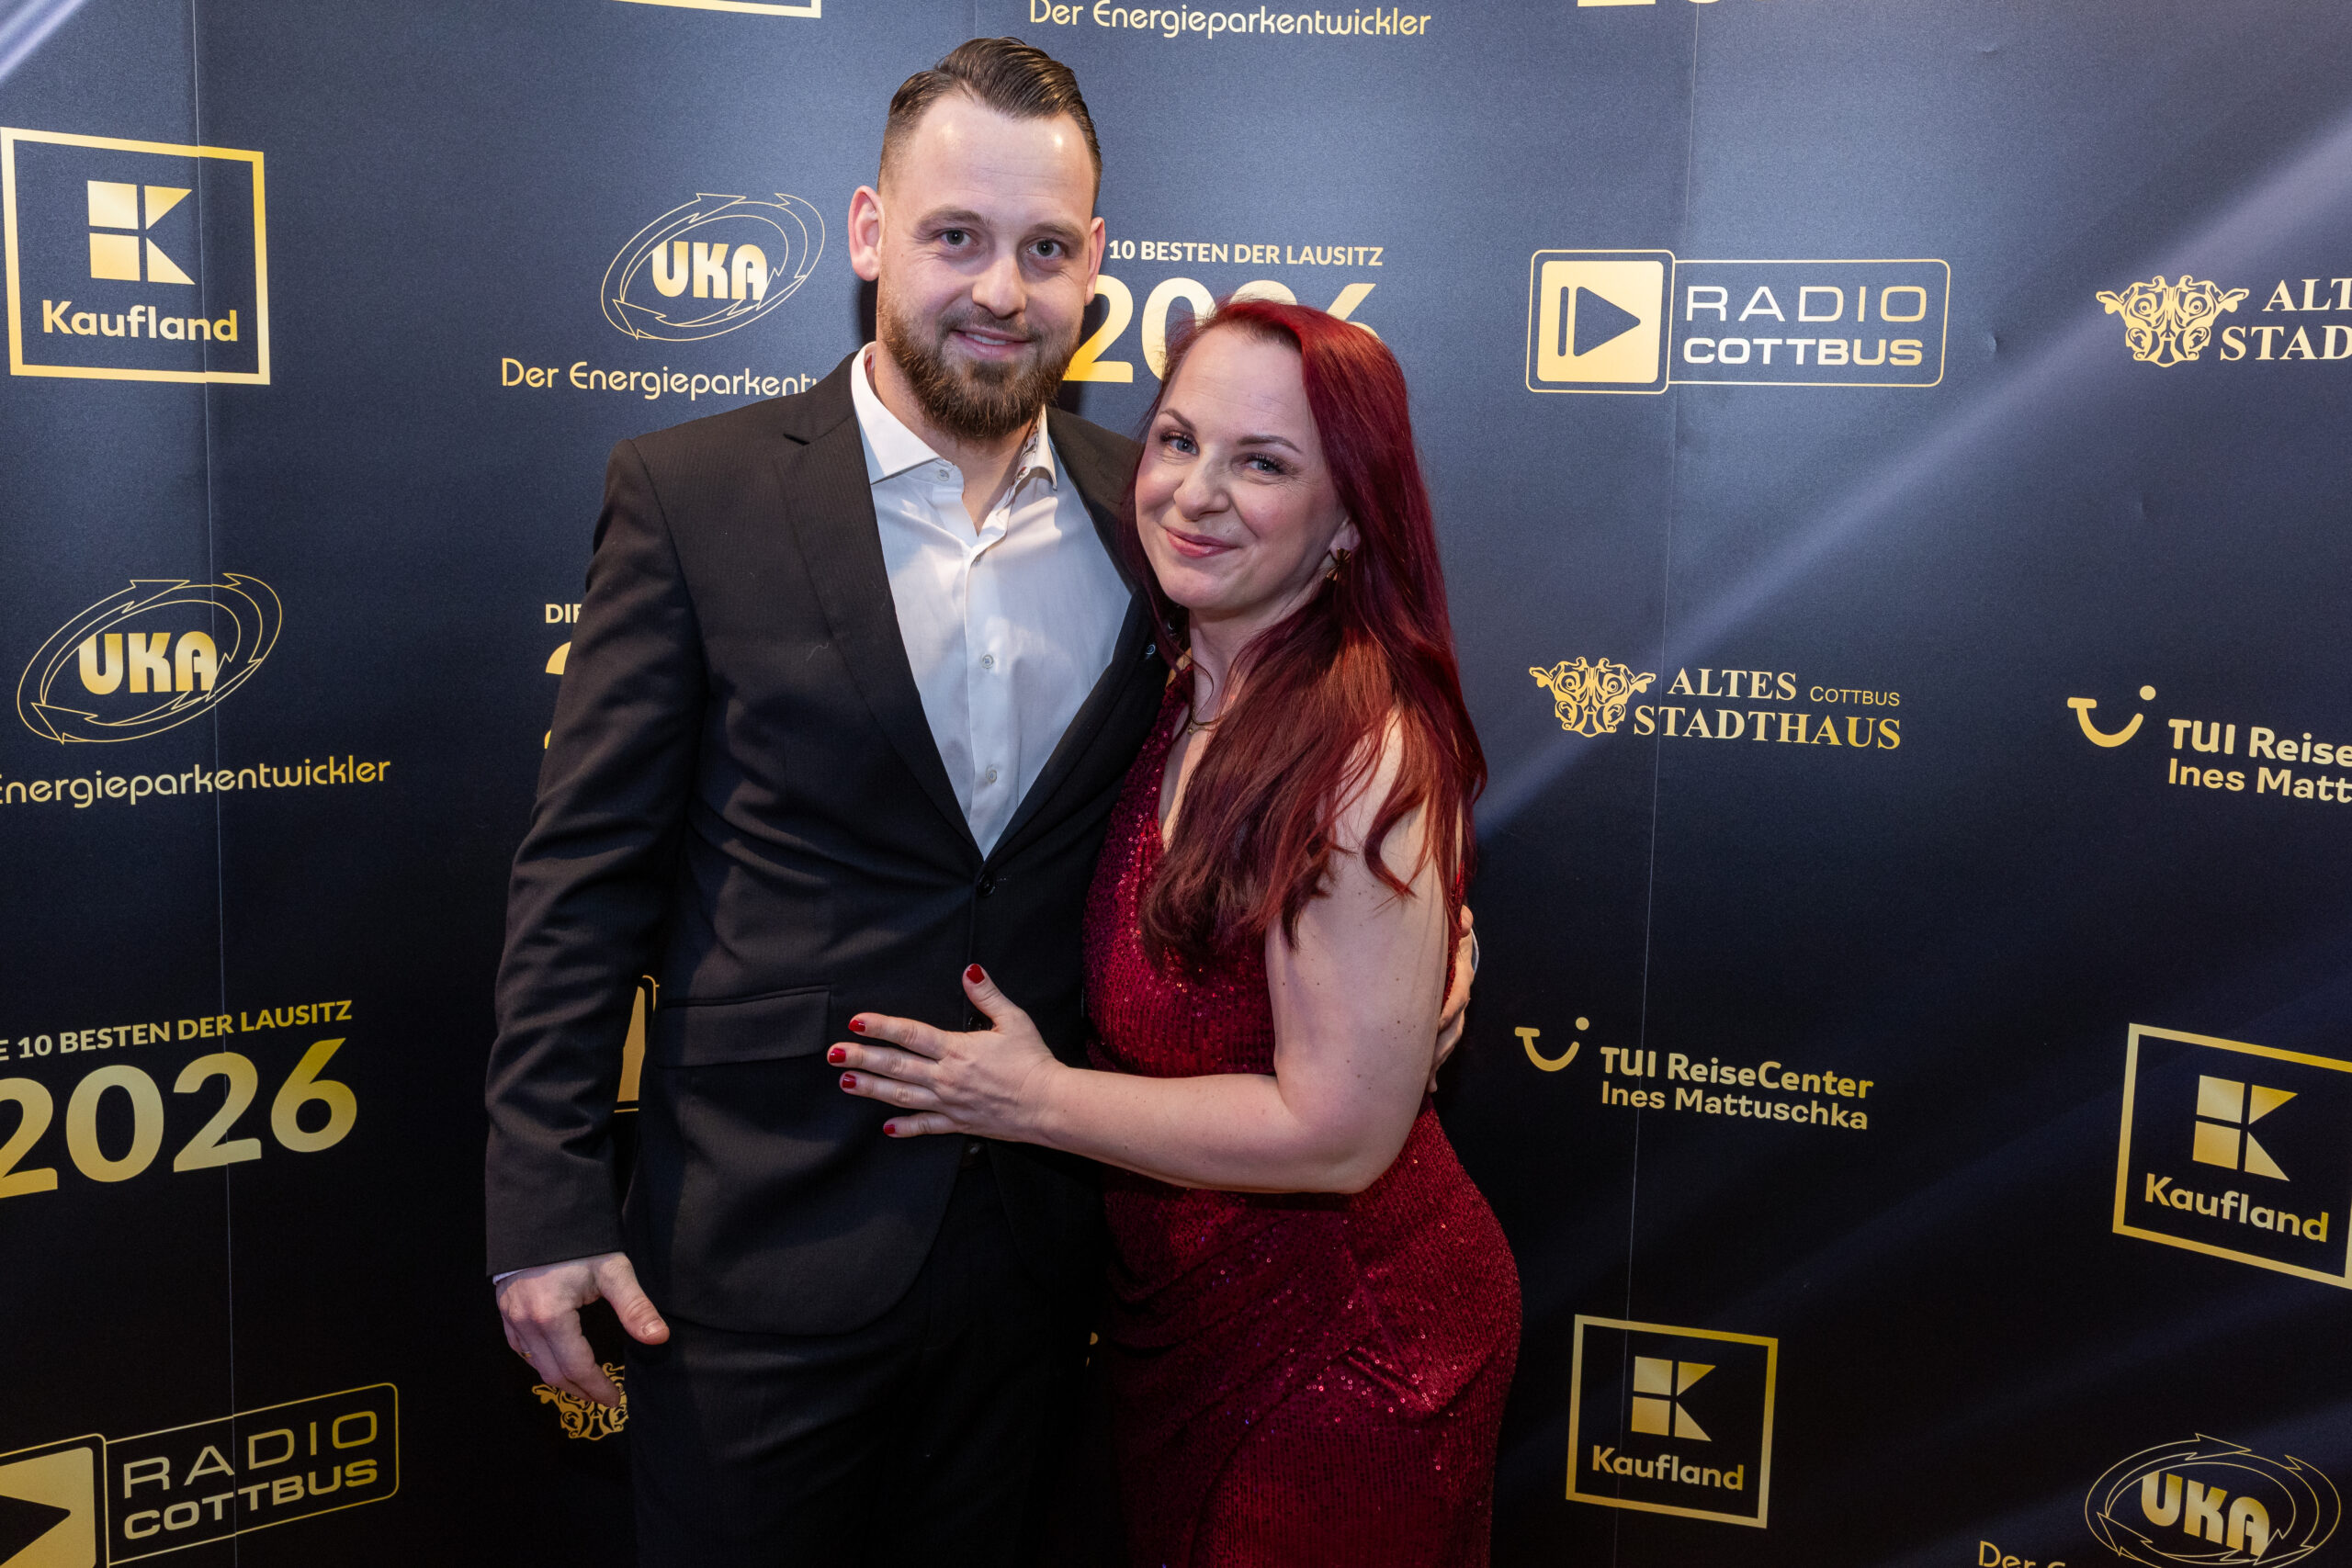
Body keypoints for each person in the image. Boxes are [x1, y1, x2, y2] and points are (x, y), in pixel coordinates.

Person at [483, 39, 1471, 1565]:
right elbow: (585, 879)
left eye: (1046, 248)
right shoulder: (693, 497)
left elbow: (1307, 738)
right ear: (871, 232)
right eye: (956, 236)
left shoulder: (1151, 511)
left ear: (1097, 266)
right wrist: (544, 1201)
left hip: (1047, 1274)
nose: (1000, 290)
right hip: (756, 1259)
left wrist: (1423, 942)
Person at [833, 299, 1521, 1567]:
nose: (1196, 494)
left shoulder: (1357, 751)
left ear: (1350, 518)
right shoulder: (1174, 693)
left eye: (1264, 464)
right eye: (1178, 441)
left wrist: (1031, 1100)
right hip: (1172, 1328)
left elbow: (1340, 1134)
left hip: (1349, 1354)